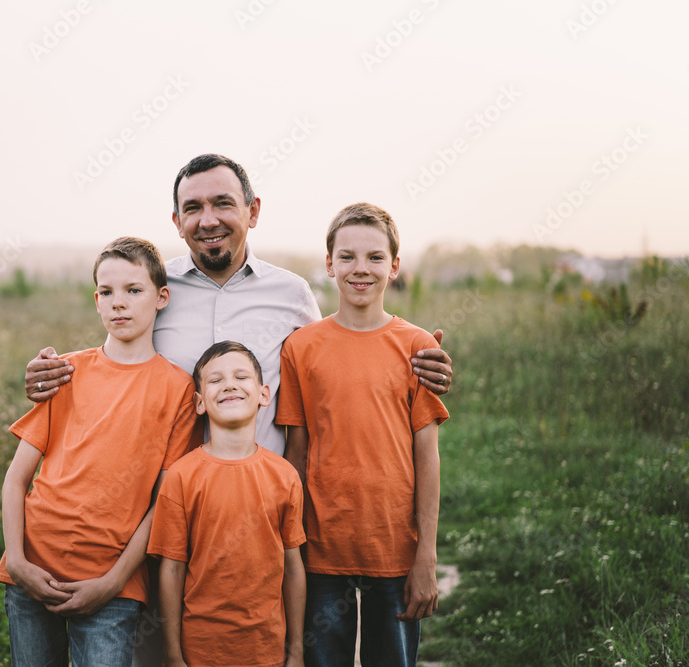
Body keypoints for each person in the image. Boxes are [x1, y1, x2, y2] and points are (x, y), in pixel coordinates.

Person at [24, 154, 455, 662]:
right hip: (162, 519)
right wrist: (54, 372)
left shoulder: (292, 295)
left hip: (262, 519)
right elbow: (117, 356)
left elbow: (339, 362)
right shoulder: (159, 291)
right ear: (177, 222)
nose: (208, 218)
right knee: (166, 653)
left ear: (252, 210)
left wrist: (421, 362)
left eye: (223, 203)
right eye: (193, 207)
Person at [0, 237, 199, 667]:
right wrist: (16, 561)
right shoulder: (65, 371)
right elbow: (16, 479)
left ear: (162, 297)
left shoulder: (178, 388)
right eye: (107, 292)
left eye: (133, 290)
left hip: (111, 586)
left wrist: (114, 581)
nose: (118, 303)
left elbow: (161, 504)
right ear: (96, 300)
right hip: (32, 568)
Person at [276, 203, 450, 667]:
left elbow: (427, 456)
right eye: (347, 256)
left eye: (375, 257)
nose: (361, 269)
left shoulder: (417, 347)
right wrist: (288, 542)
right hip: (320, 545)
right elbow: (297, 449)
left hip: (393, 545)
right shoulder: (301, 347)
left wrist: (426, 557)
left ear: (394, 267)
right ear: (329, 263)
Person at [148, 341, 306, 667]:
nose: (230, 384)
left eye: (240, 377)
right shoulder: (181, 477)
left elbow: (293, 568)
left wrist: (297, 650)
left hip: (268, 649)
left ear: (264, 394)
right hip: (199, 650)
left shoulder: (285, 476)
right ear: (199, 402)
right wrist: (173, 654)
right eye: (216, 380)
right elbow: (172, 570)